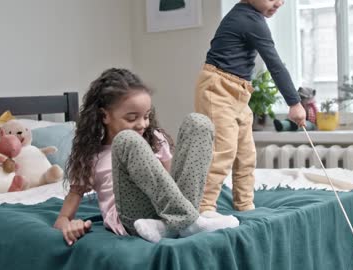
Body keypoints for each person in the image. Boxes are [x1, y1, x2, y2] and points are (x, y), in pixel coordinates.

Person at [53, 68, 239, 244]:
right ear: (104, 116)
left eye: (147, 116)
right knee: (127, 140)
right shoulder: (91, 156)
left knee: (199, 123)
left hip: (166, 210)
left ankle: (171, 225)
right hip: (134, 219)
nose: (143, 124)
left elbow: (173, 183)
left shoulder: (155, 139)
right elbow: (62, 218)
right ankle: (191, 222)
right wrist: (70, 224)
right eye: (132, 118)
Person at [195, 0, 307, 214]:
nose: (279, 2)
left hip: (240, 91)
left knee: (246, 154)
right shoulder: (249, 19)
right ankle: (204, 207)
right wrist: (294, 102)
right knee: (223, 151)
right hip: (217, 88)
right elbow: (274, 64)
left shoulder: (253, 17)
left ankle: (245, 204)